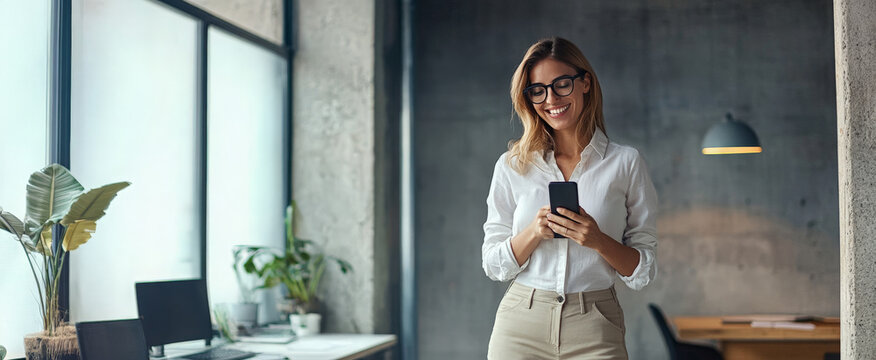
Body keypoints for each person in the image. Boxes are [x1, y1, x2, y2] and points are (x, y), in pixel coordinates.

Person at [482, 37, 658, 359]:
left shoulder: (625, 162)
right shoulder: (512, 166)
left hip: (595, 322)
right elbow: (494, 264)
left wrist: (597, 240)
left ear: (585, 83)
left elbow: (642, 270)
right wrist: (533, 232)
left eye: (561, 84)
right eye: (538, 90)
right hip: (521, 321)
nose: (551, 99)